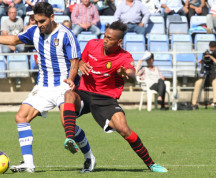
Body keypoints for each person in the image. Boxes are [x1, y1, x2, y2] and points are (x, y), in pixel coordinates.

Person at [0, 2, 95, 173]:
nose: (39, 25)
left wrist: (72, 79)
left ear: (52, 17)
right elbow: (14, 39)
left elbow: (75, 62)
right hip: (43, 87)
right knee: (21, 117)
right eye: (36, 21)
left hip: (63, 86)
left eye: (42, 21)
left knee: (67, 125)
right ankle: (28, 164)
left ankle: (89, 157)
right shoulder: (34, 31)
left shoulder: (66, 35)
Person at [62, 20, 168, 173]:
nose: (105, 40)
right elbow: (79, 59)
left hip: (105, 98)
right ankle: (70, 138)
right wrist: (80, 63)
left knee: (124, 129)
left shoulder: (124, 56)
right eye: (105, 36)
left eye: (110, 38)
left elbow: (131, 75)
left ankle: (151, 164)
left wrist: (125, 73)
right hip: (84, 93)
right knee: (69, 94)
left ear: (119, 41)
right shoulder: (92, 44)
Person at [192, 41, 216, 110]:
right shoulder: (210, 55)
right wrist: (203, 61)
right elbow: (208, 66)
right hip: (211, 76)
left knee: (215, 82)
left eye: (213, 49)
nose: (212, 51)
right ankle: (194, 104)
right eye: (211, 49)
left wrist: (213, 59)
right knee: (198, 83)